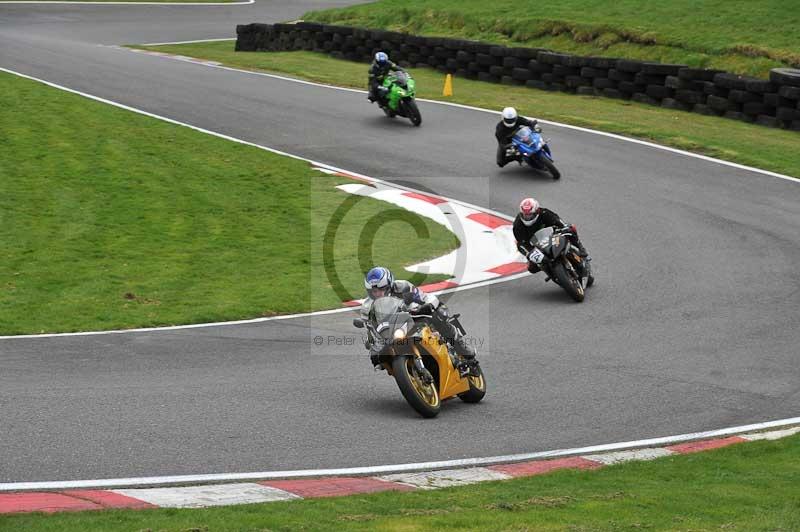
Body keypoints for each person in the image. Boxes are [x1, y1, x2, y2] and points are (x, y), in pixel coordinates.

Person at [360, 266, 476, 370]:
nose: (378, 294)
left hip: (413, 316)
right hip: (392, 330)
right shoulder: (367, 307)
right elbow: (371, 330)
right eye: (374, 291)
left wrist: (427, 305)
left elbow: (423, 297)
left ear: (389, 285)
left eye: (381, 289)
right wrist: (373, 350)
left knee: (438, 313)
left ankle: (460, 345)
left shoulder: (402, 287)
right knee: (381, 356)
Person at [513, 197, 591, 274]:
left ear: (537, 211)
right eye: (525, 215)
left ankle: (581, 248)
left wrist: (563, 228)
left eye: (530, 215)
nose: (527, 218)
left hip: (553, 237)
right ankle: (550, 272)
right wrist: (529, 253)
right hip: (536, 246)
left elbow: (558, 222)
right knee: (532, 269)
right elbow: (521, 243)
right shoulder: (518, 224)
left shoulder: (545, 213)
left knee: (570, 228)